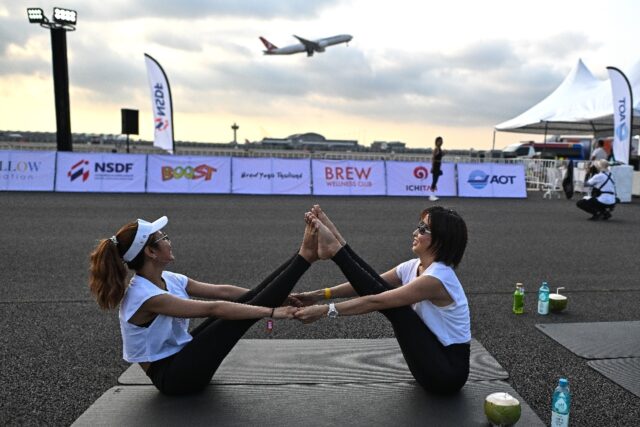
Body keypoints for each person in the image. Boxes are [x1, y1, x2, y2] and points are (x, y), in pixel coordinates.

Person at [89, 215, 316, 395]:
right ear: (150, 252)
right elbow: (213, 308)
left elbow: (223, 291)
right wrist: (272, 311)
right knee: (228, 317)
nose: (169, 240)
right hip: (173, 378)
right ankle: (305, 256)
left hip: (182, 359)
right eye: (163, 238)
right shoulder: (145, 296)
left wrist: (280, 298)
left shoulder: (169, 278)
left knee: (241, 304)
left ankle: (302, 254)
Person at [293, 205, 470, 395]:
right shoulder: (413, 266)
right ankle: (337, 246)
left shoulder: (437, 278)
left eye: (423, 229)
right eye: (419, 226)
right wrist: (318, 294)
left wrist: (324, 311)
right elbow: (369, 280)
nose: (415, 232)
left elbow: (376, 301)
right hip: (427, 363)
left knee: (398, 309)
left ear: (441, 240)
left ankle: (337, 251)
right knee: (378, 286)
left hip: (447, 374)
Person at [429, 136, 444, 201]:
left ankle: (433, 194)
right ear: (436, 142)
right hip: (435, 166)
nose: (441, 142)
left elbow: (439, 156)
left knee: (436, 180)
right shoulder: (436, 149)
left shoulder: (440, 149)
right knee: (434, 180)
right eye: (439, 141)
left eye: (441, 141)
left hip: (438, 165)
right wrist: (432, 167)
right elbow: (433, 158)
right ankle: (431, 195)